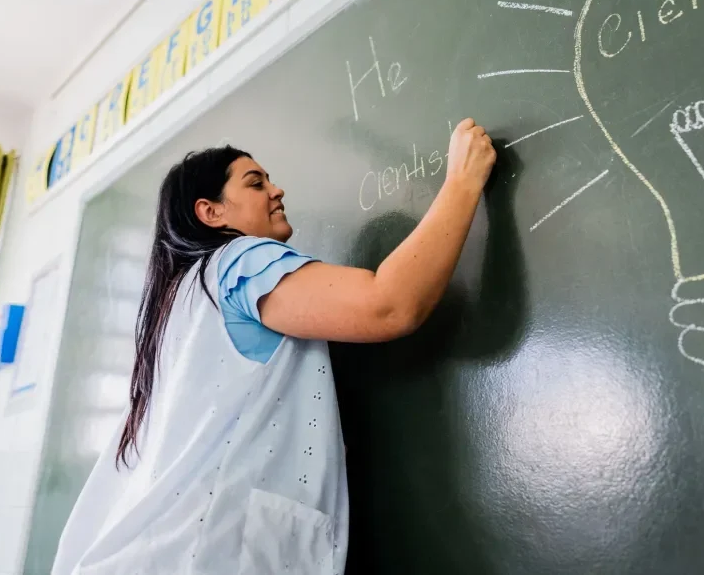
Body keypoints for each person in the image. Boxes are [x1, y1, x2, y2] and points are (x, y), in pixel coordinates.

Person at [51, 118, 496, 575]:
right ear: (212, 213)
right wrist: (463, 181)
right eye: (255, 182)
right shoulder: (239, 261)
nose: (277, 190)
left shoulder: (178, 304)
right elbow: (389, 305)